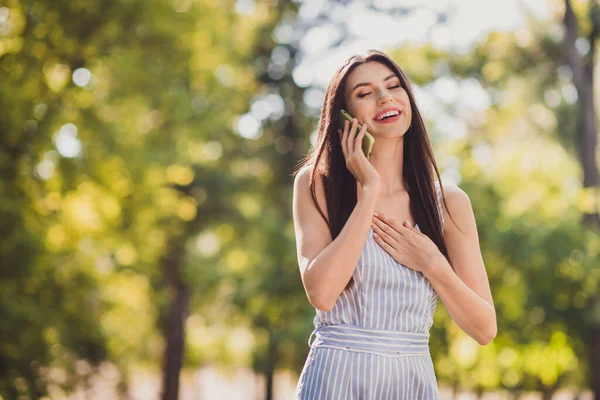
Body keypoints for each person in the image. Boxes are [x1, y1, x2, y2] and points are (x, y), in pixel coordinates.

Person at [291, 49, 497, 399]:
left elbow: (484, 328)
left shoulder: (448, 203)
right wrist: (369, 190)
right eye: (364, 92)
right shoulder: (315, 184)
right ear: (344, 117)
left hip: (411, 382)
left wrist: (433, 265)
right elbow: (322, 294)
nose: (385, 97)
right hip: (335, 380)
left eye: (393, 86)